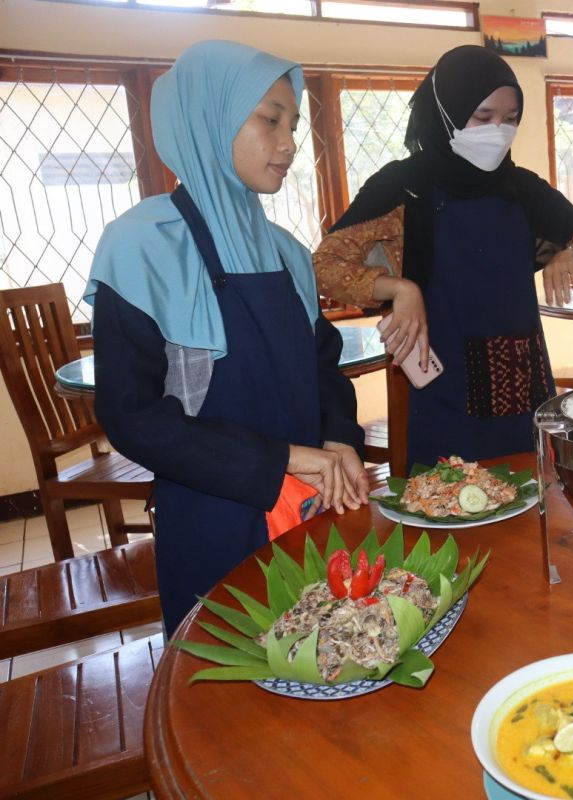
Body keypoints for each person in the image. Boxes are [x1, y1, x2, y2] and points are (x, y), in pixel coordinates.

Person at [86, 40, 369, 637]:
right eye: (270, 119)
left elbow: (325, 369)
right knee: (227, 678)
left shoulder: (286, 250)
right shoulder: (142, 246)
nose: (289, 142)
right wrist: (284, 458)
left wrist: (339, 438)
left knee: (320, 657)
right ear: (209, 120)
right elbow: (133, 417)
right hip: (210, 511)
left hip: (305, 508)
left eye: (294, 124)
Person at [313, 45, 573, 468]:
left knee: (529, 501)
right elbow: (324, 267)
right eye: (483, 117)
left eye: (510, 120)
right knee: (450, 505)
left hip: (521, 381)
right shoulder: (404, 187)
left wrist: (572, 253)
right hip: (443, 386)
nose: (499, 130)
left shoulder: (522, 188)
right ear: (446, 111)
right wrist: (399, 287)